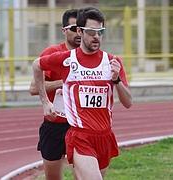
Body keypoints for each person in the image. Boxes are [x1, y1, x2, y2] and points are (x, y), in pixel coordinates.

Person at [33, 7, 132, 180]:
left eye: (100, 32)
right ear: (80, 31)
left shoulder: (112, 61)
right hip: (79, 135)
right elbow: (37, 65)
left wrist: (116, 80)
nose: (96, 36)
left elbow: (128, 102)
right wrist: (45, 102)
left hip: (104, 135)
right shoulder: (66, 59)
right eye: (92, 32)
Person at [29, 9, 80, 180]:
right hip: (55, 125)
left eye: (82, 28)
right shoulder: (52, 53)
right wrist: (64, 83)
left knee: (84, 175)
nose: (78, 32)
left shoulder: (91, 57)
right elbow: (33, 88)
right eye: (74, 28)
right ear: (64, 30)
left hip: (81, 127)